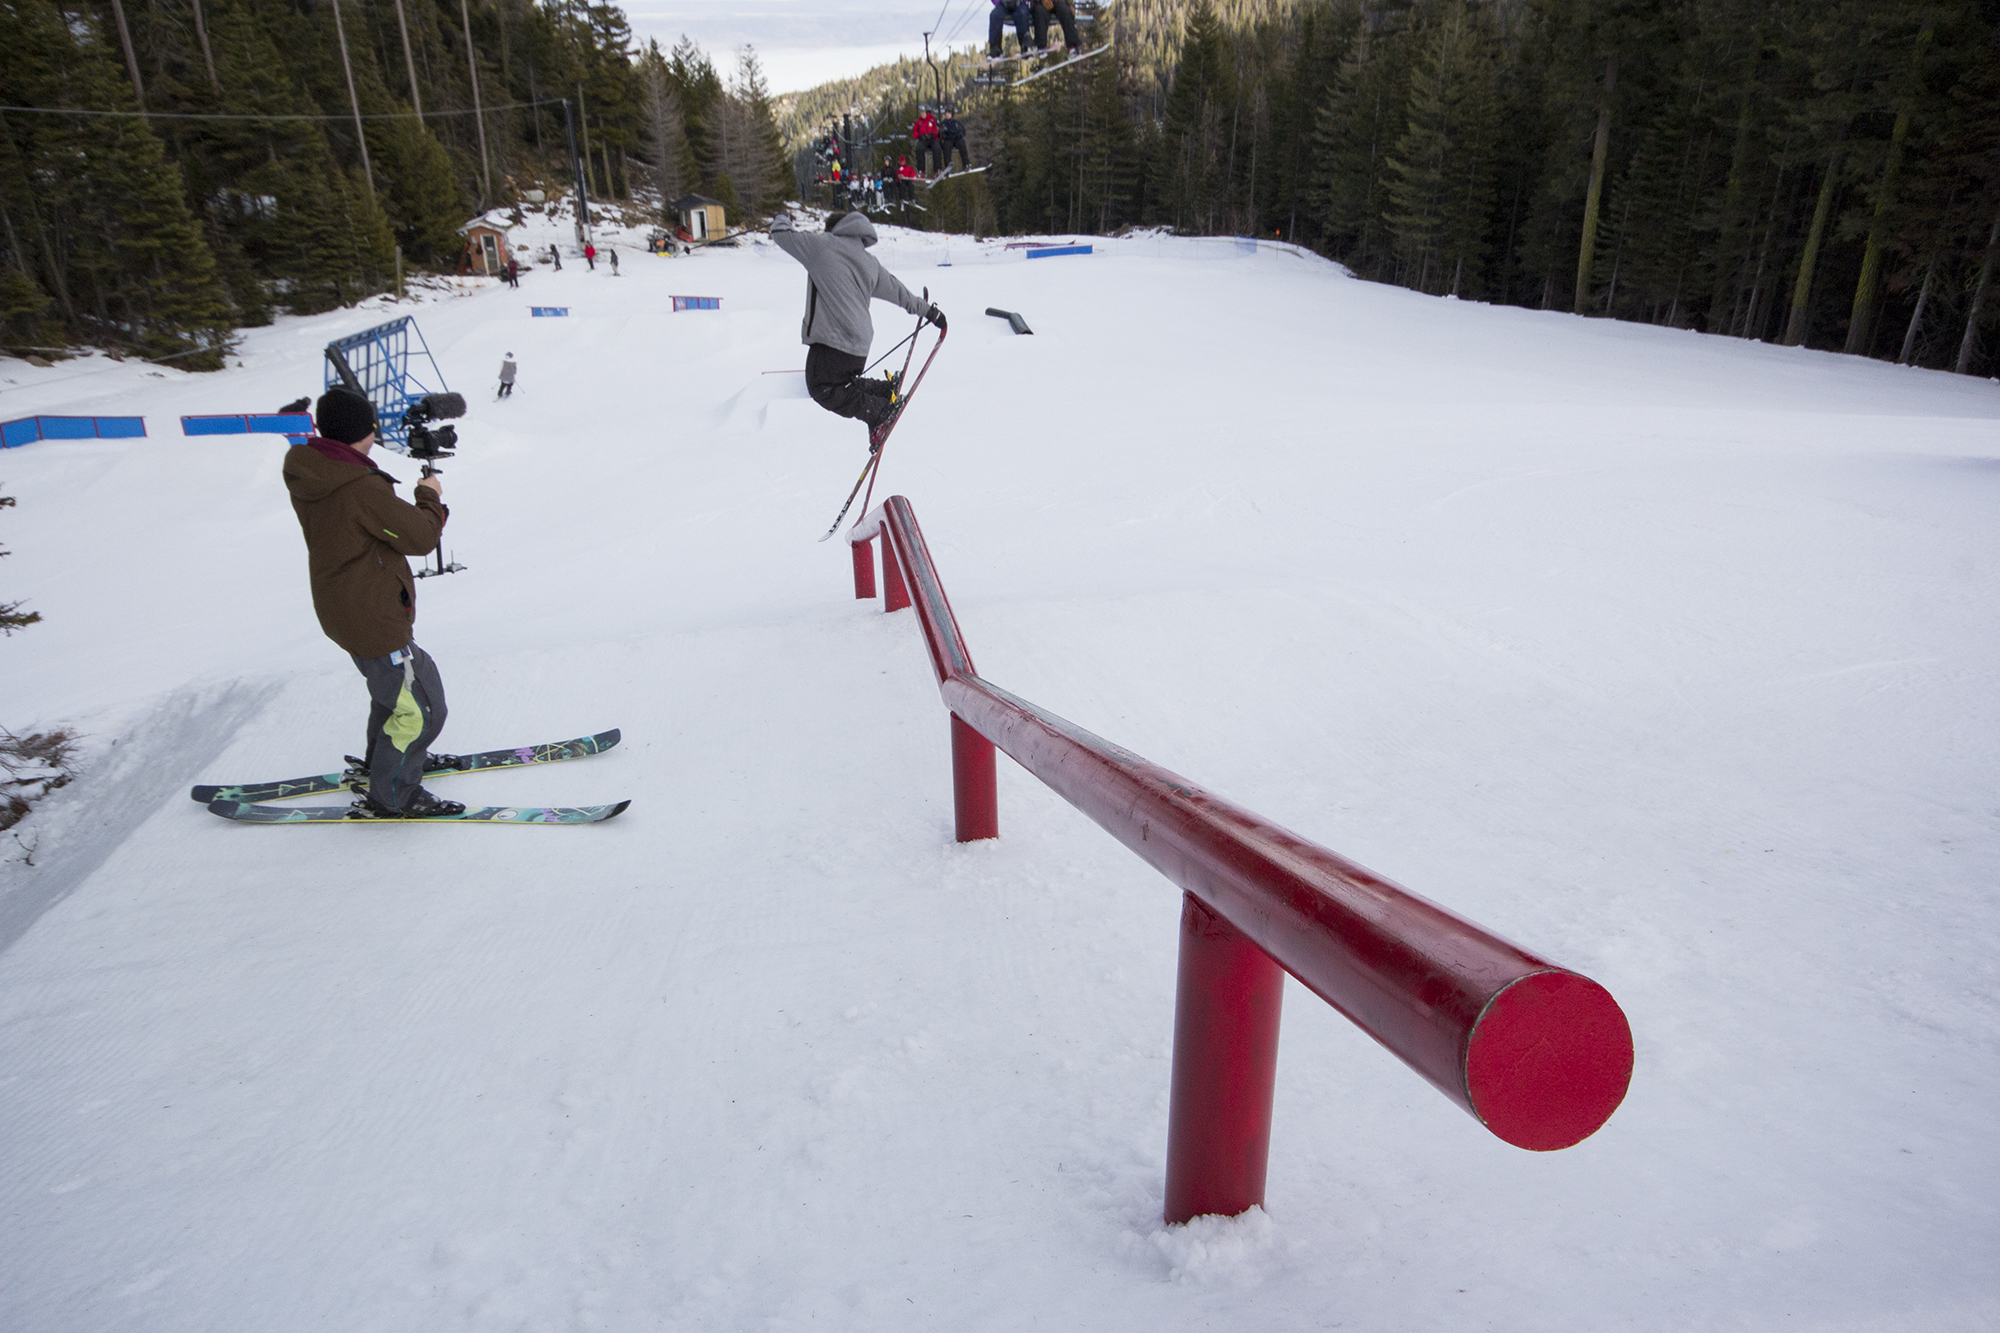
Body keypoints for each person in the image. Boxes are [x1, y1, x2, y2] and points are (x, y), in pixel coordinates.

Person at [283, 387, 461, 818]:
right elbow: (419, 537)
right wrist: (429, 495)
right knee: (422, 709)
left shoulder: (315, 468)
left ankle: (387, 762)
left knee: (394, 693)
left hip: (345, 605)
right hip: (371, 612)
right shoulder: (357, 486)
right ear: (364, 432)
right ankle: (393, 792)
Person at [769, 210, 945, 448]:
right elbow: (898, 292)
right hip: (859, 346)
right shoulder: (868, 262)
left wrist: (782, 216)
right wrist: (929, 312)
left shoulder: (821, 246)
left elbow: (780, 234)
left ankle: (879, 412)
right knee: (841, 384)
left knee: (822, 388)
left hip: (833, 340)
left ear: (832, 230)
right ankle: (883, 391)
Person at [938, 108, 973, 176]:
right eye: (946, 113)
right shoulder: (943, 123)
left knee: (962, 145)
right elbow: (940, 135)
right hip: (948, 140)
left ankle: (966, 164)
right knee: (946, 148)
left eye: (949, 113)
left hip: (956, 139)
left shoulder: (956, 123)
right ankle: (948, 167)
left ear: (952, 114)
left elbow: (963, 131)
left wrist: (959, 135)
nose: (947, 114)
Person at [911, 106, 940, 177]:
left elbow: (937, 130)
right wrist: (920, 136)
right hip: (923, 140)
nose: (922, 113)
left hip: (932, 139)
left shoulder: (933, 120)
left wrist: (932, 135)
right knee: (919, 149)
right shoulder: (918, 122)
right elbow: (915, 132)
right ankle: (921, 171)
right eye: (921, 112)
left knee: (937, 148)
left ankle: (937, 170)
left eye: (923, 112)